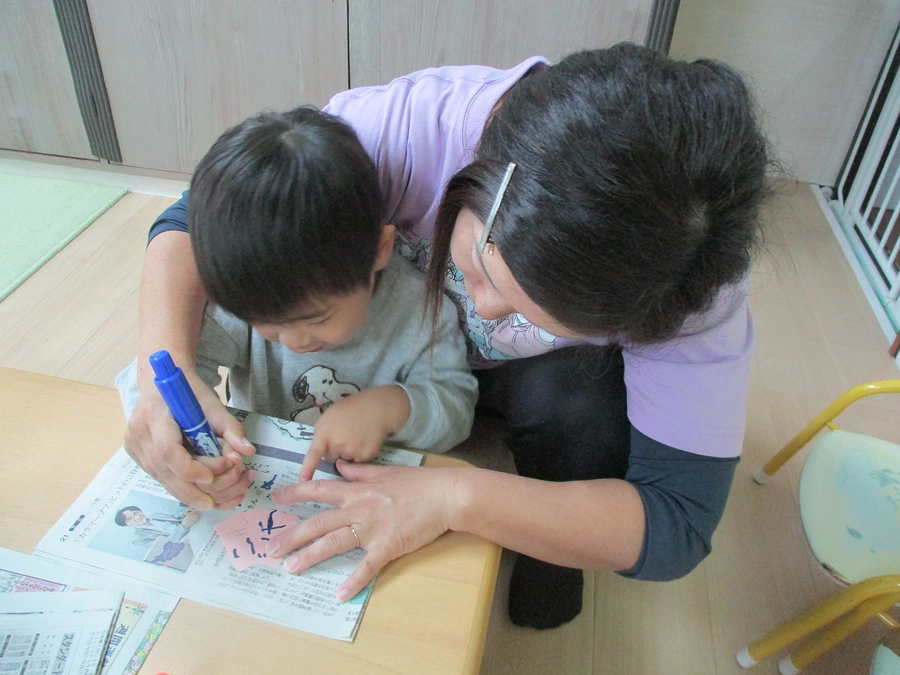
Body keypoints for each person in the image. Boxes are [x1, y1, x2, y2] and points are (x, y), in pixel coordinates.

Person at [125, 42, 772, 629]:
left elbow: (677, 520)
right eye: (482, 270)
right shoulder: (403, 131)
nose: (479, 311)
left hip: (489, 383)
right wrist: (166, 369)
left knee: (583, 416)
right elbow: (199, 221)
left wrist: (458, 495)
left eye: (534, 315)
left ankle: (549, 557)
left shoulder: (688, 284)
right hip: (395, 361)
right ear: (482, 167)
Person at [117, 106, 477, 501]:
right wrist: (175, 430)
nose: (292, 341)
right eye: (266, 324)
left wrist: (390, 408)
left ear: (380, 249)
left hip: (377, 497)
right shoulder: (246, 297)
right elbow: (156, 380)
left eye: (316, 319)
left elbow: (456, 409)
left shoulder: (421, 311)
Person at [114, 505, 199, 547]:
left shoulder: (156, 515)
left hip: (193, 527)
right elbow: (164, 545)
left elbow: (173, 517)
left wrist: (183, 513)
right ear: (127, 525)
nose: (136, 517)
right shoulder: (139, 539)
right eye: (130, 519)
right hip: (187, 542)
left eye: (136, 513)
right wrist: (183, 526)